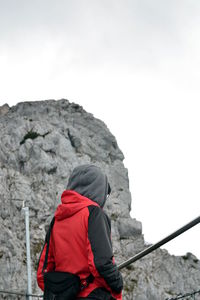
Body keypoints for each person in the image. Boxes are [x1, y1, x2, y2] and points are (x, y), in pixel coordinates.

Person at [37, 164, 123, 299]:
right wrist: (118, 283)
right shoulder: (94, 213)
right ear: (97, 189)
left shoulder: (57, 219)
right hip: (92, 294)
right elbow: (101, 263)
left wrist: (63, 290)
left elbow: (43, 271)